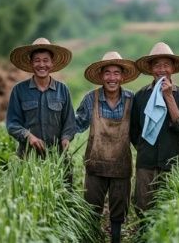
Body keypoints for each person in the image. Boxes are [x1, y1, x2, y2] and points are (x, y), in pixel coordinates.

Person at [75, 51, 139, 243]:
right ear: (101, 76)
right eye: (108, 73)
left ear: (123, 76)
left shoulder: (131, 99)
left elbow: (140, 129)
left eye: (116, 73)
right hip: (95, 164)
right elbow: (77, 124)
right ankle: (92, 237)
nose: (112, 78)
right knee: (92, 207)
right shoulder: (90, 98)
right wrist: (61, 136)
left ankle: (116, 239)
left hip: (121, 164)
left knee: (119, 209)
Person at [130, 42, 179, 219]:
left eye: (166, 65)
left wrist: (168, 96)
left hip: (173, 163)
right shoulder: (141, 96)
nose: (161, 69)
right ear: (150, 69)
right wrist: (143, 148)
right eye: (157, 65)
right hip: (146, 162)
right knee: (143, 208)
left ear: (173, 68)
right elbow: (134, 130)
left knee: (172, 211)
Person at [6, 37, 75, 162]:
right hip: (28, 158)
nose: (42, 65)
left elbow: (69, 123)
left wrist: (66, 138)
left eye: (46, 60)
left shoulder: (62, 89)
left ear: (52, 63)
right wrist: (28, 136)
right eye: (37, 60)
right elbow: (12, 124)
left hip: (57, 158)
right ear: (31, 63)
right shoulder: (19, 90)